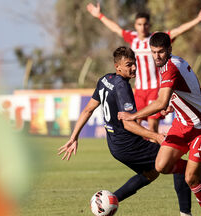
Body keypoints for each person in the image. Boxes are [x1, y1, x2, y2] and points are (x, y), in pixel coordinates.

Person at [58, 47, 193, 216]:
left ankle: (107, 203)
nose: (134, 68)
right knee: (180, 166)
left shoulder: (105, 80)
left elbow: (87, 110)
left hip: (115, 146)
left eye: (134, 64)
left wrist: (74, 137)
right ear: (118, 67)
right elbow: (129, 124)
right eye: (129, 65)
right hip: (130, 145)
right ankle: (185, 214)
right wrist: (156, 136)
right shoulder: (122, 87)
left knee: (151, 173)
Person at [118, 32, 201, 216]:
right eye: (154, 52)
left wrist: (133, 116)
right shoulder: (175, 63)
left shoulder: (171, 67)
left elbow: (160, 102)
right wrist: (174, 106)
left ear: (169, 50)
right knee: (161, 166)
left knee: (191, 179)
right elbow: (191, 88)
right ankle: (196, 167)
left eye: (161, 52)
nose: (157, 56)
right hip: (182, 124)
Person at [87, 2, 201, 134]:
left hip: (155, 89)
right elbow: (115, 28)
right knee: (136, 127)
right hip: (139, 91)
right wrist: (99, 15)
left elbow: (178, 30)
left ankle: (156, 153)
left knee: (152, 128)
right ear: (135, 26)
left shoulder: (156, 40)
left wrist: (198, 19)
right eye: (139, 24)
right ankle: (143, 153)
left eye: (145, 24)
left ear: (149, 25)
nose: (142, 27)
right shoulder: (132, 38)